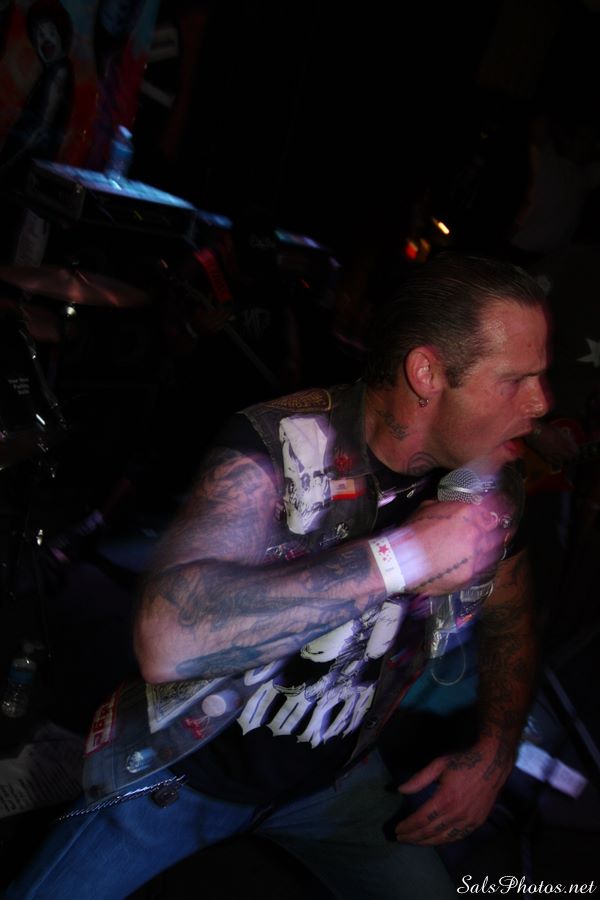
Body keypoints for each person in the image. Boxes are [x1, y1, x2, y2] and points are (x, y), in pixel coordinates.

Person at [4, 252, 551, 899]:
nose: (541, 402)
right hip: (184, 765)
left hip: (334, 782)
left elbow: (513, 618)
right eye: (515, 380)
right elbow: (167, 640)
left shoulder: (490, 484)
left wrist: (494, 752)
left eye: (540, 378)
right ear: (427, 373)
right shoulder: (277, 443)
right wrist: (403, 556)